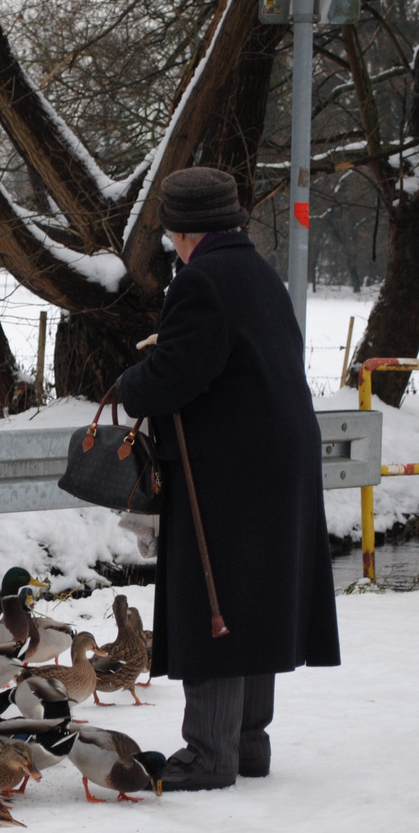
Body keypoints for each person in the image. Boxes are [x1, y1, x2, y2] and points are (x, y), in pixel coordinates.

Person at [114, 166, 340, 791]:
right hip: (278, 458)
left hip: (229, 467)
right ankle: (247, 743)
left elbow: (172, 379)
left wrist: (131, 383)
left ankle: (210, 754)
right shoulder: (257, 272)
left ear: (180, 229)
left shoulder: (201, 282)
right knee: (252, 593)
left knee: (213, 595)